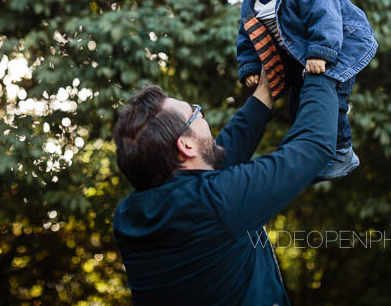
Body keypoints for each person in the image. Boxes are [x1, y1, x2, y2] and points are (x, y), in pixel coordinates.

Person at [112, 66, 337, 305]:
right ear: (186, 146)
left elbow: (215, 163)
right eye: (196, 113)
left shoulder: (127, 217)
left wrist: (266, 91)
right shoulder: (213, 204)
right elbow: (314, 146)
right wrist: (322, 65)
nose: (202, 116)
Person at [233, 0, 377, 183]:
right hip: (301, 60)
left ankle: (343, 150)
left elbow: (326, 14)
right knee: (299, 106)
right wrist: (250, 67)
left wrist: (321, 51)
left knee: (331, 96)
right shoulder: (250, 6)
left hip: (339, 44)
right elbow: (247, 37)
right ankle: (319, 153)